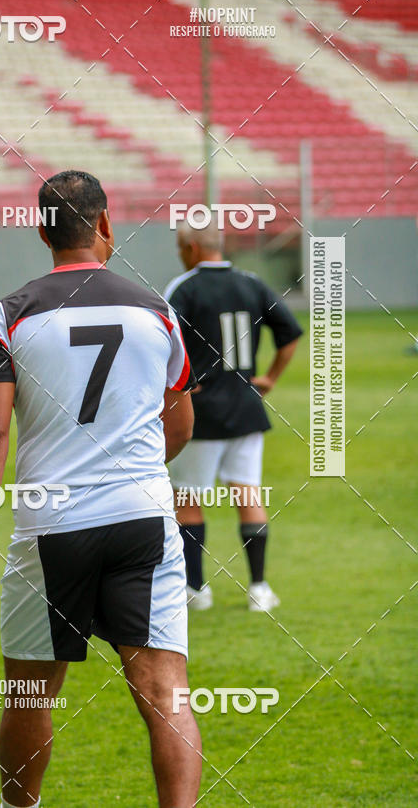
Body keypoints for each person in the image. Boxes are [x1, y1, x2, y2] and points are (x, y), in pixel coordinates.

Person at [0, 170, 201, 808]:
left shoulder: (9, 312)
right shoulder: (158, 311)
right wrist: (141, 470)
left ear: (42, 232)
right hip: (142, 520)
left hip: (50, 527)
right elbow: (178, 423)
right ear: (105, 226)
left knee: (31, 693)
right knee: (166, 690)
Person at [164, 222, 302, 612]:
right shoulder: (252, 283)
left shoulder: (184, 287)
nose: (180, 253)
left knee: (189, 499)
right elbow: (290, 333)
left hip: (201, 412)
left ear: (191, 247)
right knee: (248, 493)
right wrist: (270, 378)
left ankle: (195, 590)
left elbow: (163, 339)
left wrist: (182, 385)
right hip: (246, 406)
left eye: (180, 246)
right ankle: (259, 588)